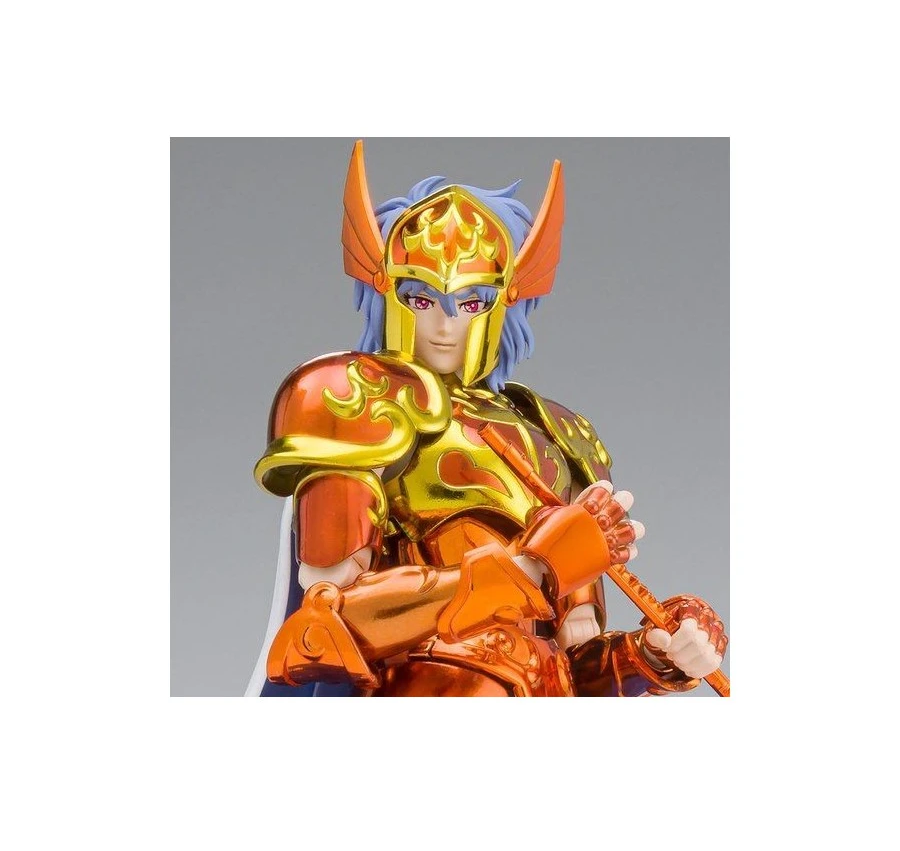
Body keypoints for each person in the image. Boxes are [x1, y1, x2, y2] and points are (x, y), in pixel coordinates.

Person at [245, 141, 727, 697]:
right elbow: (325, 624)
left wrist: (657, 653)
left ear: (505, 306)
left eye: (471, 303)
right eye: (421, 298)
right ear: (386, 292)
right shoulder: (352, 398)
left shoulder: (557, 437)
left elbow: (571, 669)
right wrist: (526, 569)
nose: (444, 326)